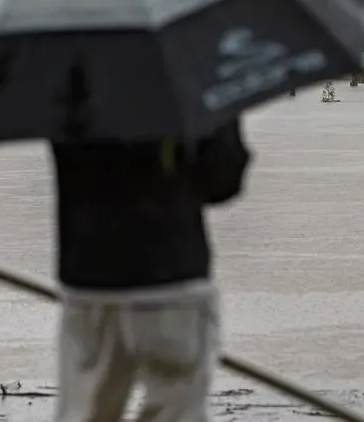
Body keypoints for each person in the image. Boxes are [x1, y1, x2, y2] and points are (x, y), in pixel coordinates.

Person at [51, 119, 251, 422]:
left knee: (84, 411)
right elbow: (221, 179)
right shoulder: (185, 76)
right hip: (170, 274)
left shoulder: (61, 77)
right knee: (176, 409)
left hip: (87, 276)